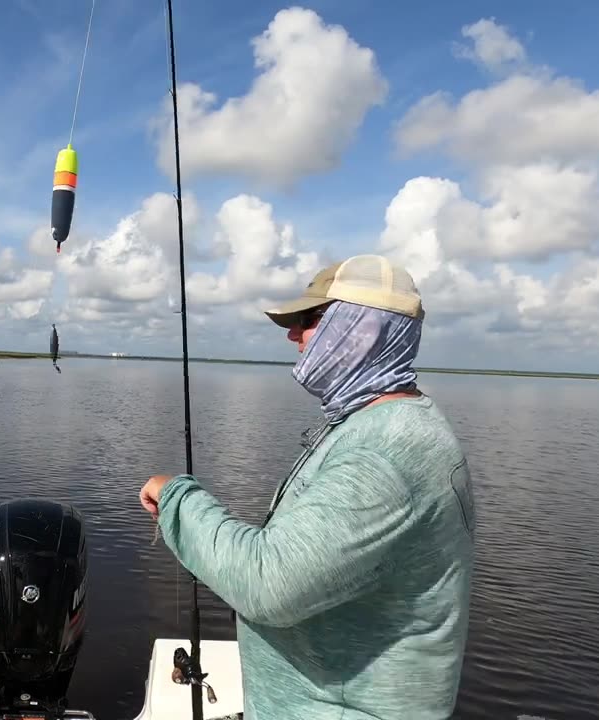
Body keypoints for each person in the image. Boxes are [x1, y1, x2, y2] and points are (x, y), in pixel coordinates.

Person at [140, 254, 477, 720]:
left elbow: (268, 583)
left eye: (310, 319)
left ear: (364, 329)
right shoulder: (382, 426)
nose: (293, 335)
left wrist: (178, 497)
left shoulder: (383, 455)